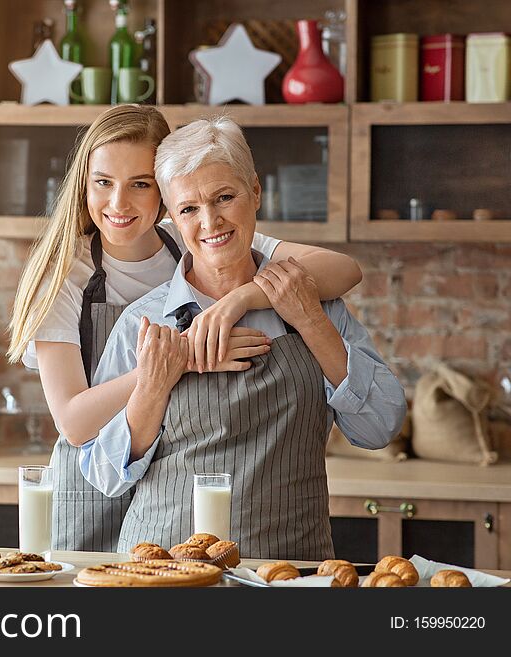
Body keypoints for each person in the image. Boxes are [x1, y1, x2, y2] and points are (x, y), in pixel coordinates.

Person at [7, 105, 363, 553]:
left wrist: (245, 296)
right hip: (94, 484)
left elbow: (342, 269)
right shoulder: (64, 276)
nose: (118, 204)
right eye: (103, 182)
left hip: (173, 487)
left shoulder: (197, 238)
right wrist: (180, 360)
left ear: (166, 191)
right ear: (83, 184)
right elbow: (75, 423)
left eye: (140, 184)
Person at [79, 115, 407, 560]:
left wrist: (309, 320)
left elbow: (380, 427)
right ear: (172, 218)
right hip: (163, 573)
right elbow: (103, 475)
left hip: (291, 568)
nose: (210, 221)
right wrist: (153, 384)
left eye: (224, 197)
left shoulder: (315, 305)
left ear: (255, 192)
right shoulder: (145, 321)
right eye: (189, 209)